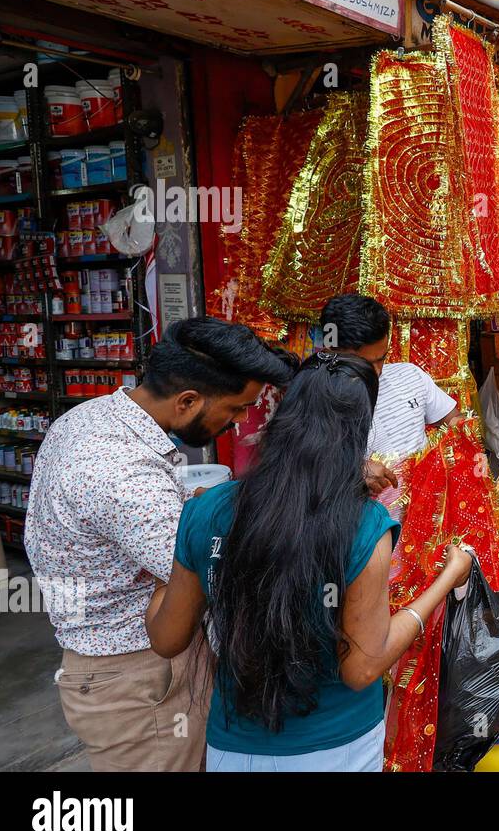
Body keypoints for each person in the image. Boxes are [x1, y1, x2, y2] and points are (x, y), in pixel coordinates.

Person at [145, 353, 473, 771]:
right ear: (360, 429)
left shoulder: (206, 510)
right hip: (340, 747)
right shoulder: (364, 525)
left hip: (234, 748)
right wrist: (448, 578)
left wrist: (166, 574)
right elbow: (362, 667)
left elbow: (166, 637)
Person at [25, 317, 297, 771]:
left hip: (132, 665)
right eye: (233, 409)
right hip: (140, 681)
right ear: (187, 401)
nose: (235, 424)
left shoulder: (96, 418)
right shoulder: (120, 473)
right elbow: (215, 567)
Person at [320, 293, 461, 516]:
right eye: (364, 364)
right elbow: (303, 472)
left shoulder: (410, 375)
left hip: (426, 522)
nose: (376, 372)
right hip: (367, 535)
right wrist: (354, 472)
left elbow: (455, 421)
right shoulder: (314, 400)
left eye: (382, 359)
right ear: (331, 351)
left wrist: (455, 454)